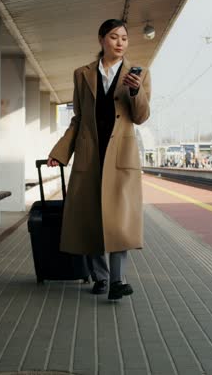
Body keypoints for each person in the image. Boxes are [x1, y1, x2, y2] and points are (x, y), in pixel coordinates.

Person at [47, 19, 151, 300]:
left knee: (119, 221)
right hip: (90, 155)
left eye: (125, 38)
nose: (120, 43)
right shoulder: (82, 74)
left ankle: (117, 280)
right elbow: (78, 119)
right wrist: (60, 152)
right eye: (115, 37)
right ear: (101, 39)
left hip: (121, 158)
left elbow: (140, 117)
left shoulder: (139, 74)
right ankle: (101, 277)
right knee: (92, 218)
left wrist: (135, 90)